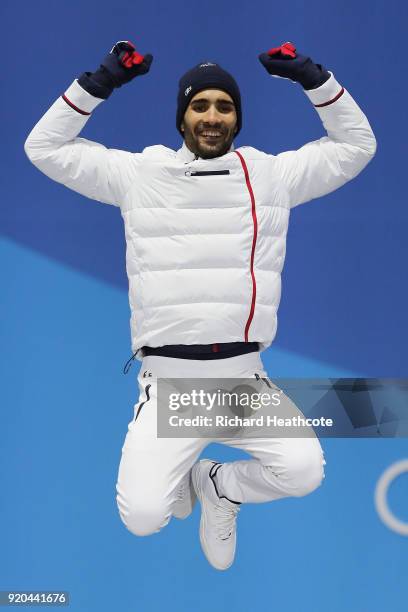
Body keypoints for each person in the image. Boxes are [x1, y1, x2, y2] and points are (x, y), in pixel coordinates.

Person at [24, 39, 376, 570]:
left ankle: (220, 486)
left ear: (237, 119)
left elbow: (356, 146)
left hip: (241, 381)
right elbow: (44, 148)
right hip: (170, 387)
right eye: (200, 105)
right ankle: (199, 479)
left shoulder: (270, 178)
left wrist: (313, 78)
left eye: (225, 106)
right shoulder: (140, 176)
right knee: (143, 518)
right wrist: (99, 82)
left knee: (303, 473)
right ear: (181, 117)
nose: (212, 117)